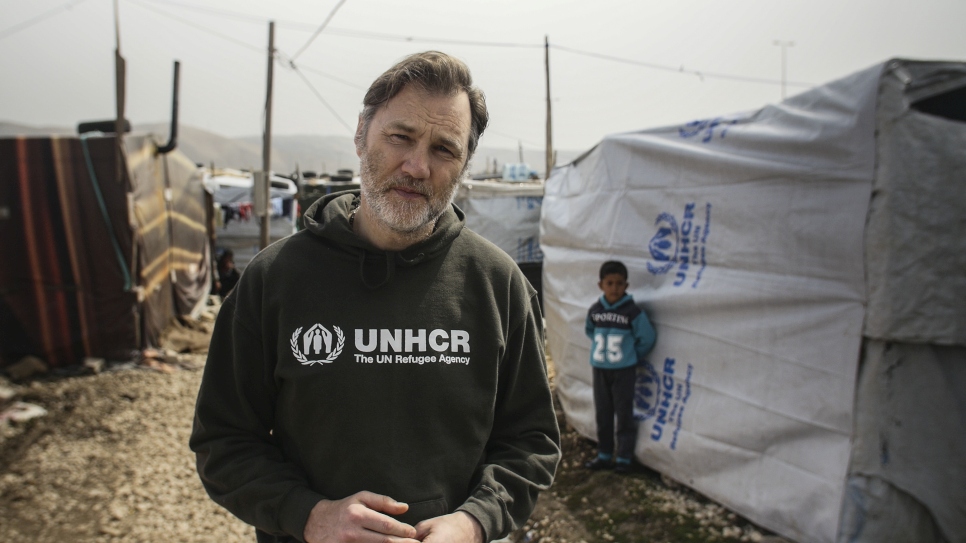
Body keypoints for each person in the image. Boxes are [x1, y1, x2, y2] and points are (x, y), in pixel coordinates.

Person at [190, 51, 561, 543]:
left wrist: (474, 523)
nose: (417, 166)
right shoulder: (273, 281)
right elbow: (224, 442)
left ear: (464, 166)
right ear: (362, 133)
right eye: (400, 137)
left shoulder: (499, 287)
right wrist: (308, 515)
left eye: (444, 150)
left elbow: (531, 441)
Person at [583, 260, 656, 474]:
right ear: (601, 285)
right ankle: (604, 454)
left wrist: (631, 355)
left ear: (626, 285)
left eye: (619, 283)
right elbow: (590, 331)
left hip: (624, 371)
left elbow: (647, 338)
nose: (614, 288)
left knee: (624, 413)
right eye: (610, 283)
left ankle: (624, 457)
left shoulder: (632, 312)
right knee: (603, 412)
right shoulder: (595, 310)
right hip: (600, 369)